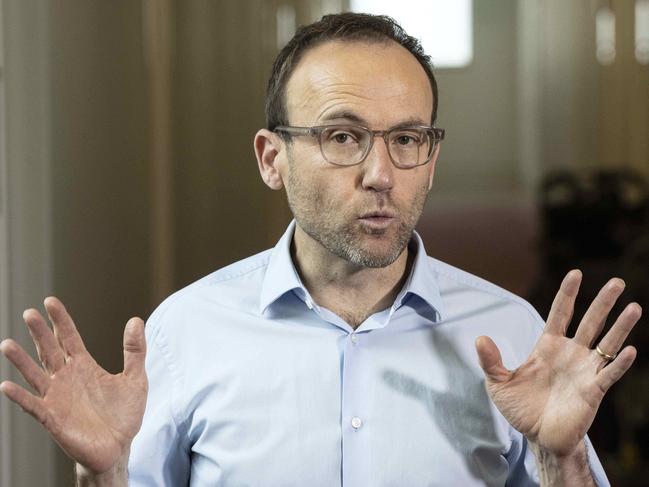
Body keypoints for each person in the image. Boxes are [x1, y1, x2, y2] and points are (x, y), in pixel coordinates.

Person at [0, 12, 642, 487]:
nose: (381, 174)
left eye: (408, 139)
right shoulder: (185, 332)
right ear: (271, 158)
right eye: (343, 136)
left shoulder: (510, 334)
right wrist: (105, 475)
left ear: (432, 156)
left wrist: (563, 459)